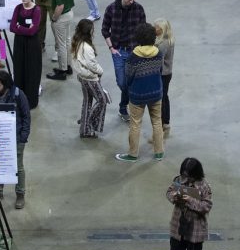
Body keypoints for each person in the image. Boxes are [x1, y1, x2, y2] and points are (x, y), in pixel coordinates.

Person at [116, 21, 165, 162]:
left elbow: (128, 77)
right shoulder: (159, 53)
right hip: (156, 92)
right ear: (153, 38)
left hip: (137, 95)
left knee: (135, 123)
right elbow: (160, 71)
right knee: (157, 121)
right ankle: (159, 153)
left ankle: (132, 154)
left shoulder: (133, 58)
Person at [0, 70, 30, 208]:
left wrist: (23, 138)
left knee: (18, 167)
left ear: (6, 85)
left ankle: (20, 194)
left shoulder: (18, 95)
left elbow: (26, 117)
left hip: (15, 138)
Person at [167, 157, 213, 250]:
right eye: (184, 174)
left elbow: (206, 206)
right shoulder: (178, 180)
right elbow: (169, 192)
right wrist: (174, 196)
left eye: (189, 175)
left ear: (196, 174)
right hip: (178, 226)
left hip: (195, 229)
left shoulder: (204, 186)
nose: (186, 178)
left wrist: (191, 200)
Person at [72, 17, 110, 138]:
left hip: (82, 76)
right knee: (102, 100)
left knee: (87, 101)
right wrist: (100, 71)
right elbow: (91, 64)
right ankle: (87, 123)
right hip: (90, 78)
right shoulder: (87, 47)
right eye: (92, 29)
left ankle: (84, 130)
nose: (94, 31)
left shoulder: (76, 42)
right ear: (88, 31)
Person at [9, 0, 43, 108]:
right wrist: (23, 29)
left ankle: (31, 102)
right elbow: (12, 27)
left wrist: (19, 28)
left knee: (32, 71)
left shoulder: (37, 10)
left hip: (32, 45)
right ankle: (19, 100)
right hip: (19, 44)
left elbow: (33, 31)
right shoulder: (18, 8)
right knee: (19, 70)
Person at [44, 0, 77, 81]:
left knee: (61, 45)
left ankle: (62, 71)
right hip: (69, 14)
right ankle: (68, 66)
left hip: (62, 17)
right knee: (67, 42)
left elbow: (60, 6)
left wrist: (54, 18)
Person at [155, 18, 175, 136]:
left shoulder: (162, 44)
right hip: (168, 73)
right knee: (165, 97)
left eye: (155, 27)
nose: (153, 29)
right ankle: (166, 122)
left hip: (162, 74)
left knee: (161, 99)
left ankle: (162, 124)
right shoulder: (170, 40)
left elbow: (159, 62)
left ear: (161, 30)